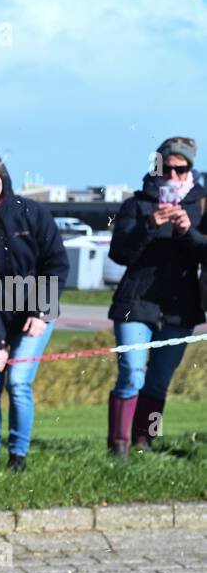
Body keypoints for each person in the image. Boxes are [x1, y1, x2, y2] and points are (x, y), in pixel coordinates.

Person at [0, 149, 69, 471]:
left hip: (32, 318)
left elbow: (56, 263)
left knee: (18, 382)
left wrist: (42, 312)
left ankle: (18, 456)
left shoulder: (33, 214)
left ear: (1, 177)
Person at [106, 137, 207, 457]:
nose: (175, 175)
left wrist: (188, 231)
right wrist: (150, 225)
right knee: (132, 374)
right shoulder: (136, 205)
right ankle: (118, 447)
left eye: (183, 169)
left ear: (191, 169)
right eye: (168, 168)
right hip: (136, 302)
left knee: (159, 382)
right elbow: (119, 254)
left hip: (180, 307)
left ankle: (145, 442)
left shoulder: (202, 205)